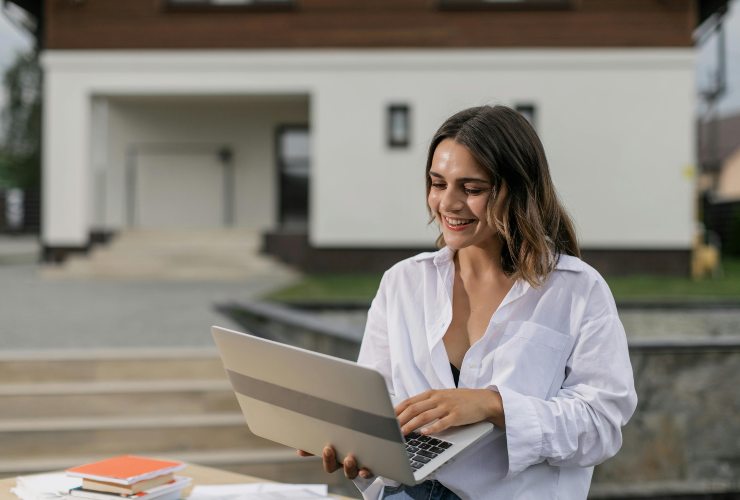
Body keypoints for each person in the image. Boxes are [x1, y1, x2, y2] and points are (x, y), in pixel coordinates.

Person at [301, 105, 638, 499]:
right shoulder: (402, 283)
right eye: (437, 183)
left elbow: (600, 426)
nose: (448, 203)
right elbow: (380, 407)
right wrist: (356, 446)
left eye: (472, 189)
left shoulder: (577, 290)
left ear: (518, 190)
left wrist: (495, 406)